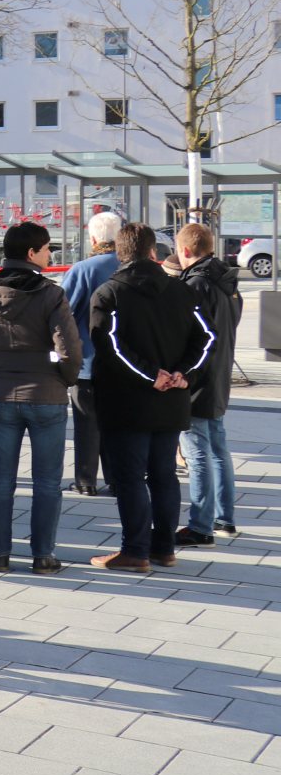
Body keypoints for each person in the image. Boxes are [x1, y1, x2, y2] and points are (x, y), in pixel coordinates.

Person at [89, 222, 215, 572]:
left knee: (130, 478)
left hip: (127, 402)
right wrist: (184, 374)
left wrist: (151, 375)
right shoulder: (181, 291)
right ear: (152, 252)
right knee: (163, 475)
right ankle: (163, 548)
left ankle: (136, 551)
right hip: (171, 399)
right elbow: (206, 339)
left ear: (119, 252)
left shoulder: (109, 293)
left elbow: (109, 346)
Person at [0, 220, 81, 574]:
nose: (49, 255)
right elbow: (68, 348)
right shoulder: (50, 293)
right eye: (46, 249)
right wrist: (63, 379)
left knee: (0, 479)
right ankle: (43, 555)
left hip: (2, 394)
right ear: (32, 253)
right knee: (46, 481)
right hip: (47, 395)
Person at [173, 223, 240, 544]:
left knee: (197, 451)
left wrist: (182, 373)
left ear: (185, 251)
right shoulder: (227, 282)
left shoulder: (196, 285)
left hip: (197, 378)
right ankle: (224, 518)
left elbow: (193, 336)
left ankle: (200, 525)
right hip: (219, 375)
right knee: (217, 448)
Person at [62, 211, 123, 496]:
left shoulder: (83, 269)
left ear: (94, 237)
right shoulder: (129, 266)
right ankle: (117, 477)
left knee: (86, 425)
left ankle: (86, 481)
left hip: (87, 362)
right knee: (117, 424)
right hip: (125, 364)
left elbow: (63, 313)